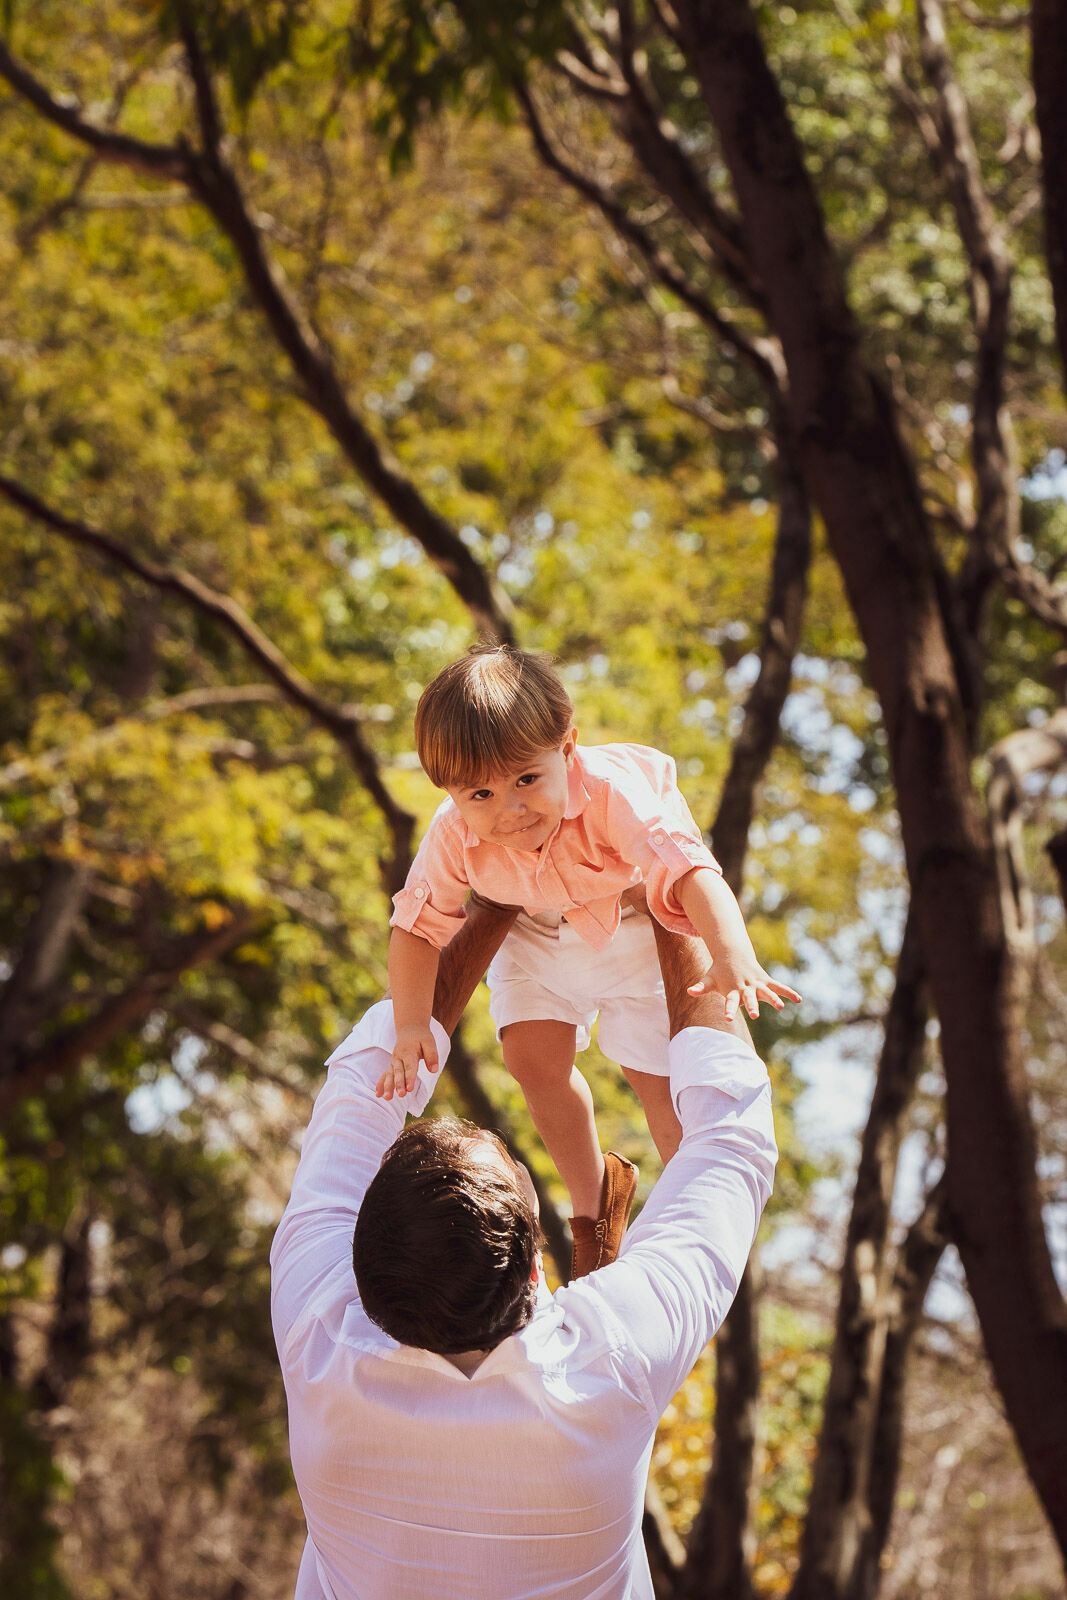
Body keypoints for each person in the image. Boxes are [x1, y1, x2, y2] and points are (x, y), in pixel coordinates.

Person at [271, 895, 778, 1600]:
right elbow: (727, 1141)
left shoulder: (316, 1327)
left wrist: (493, 895)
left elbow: (361, 1091)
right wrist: (672, 896)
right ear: (538, 1266)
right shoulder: (612, 1358)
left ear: (353, 1257)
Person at [383, 646, 797, 1272]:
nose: (510, 809)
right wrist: (412, 1021)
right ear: (449, 790)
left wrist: (730, 951)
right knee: (529, 1057)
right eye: (481, 794)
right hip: (532, 930)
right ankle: (593, 1208)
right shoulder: (452, 832)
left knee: (661, 1084)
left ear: (567, 748)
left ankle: (685, 1220)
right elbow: (416, 926)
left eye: (527, 779)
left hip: (631, 921)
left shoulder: (609, 792)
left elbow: (687, 868)